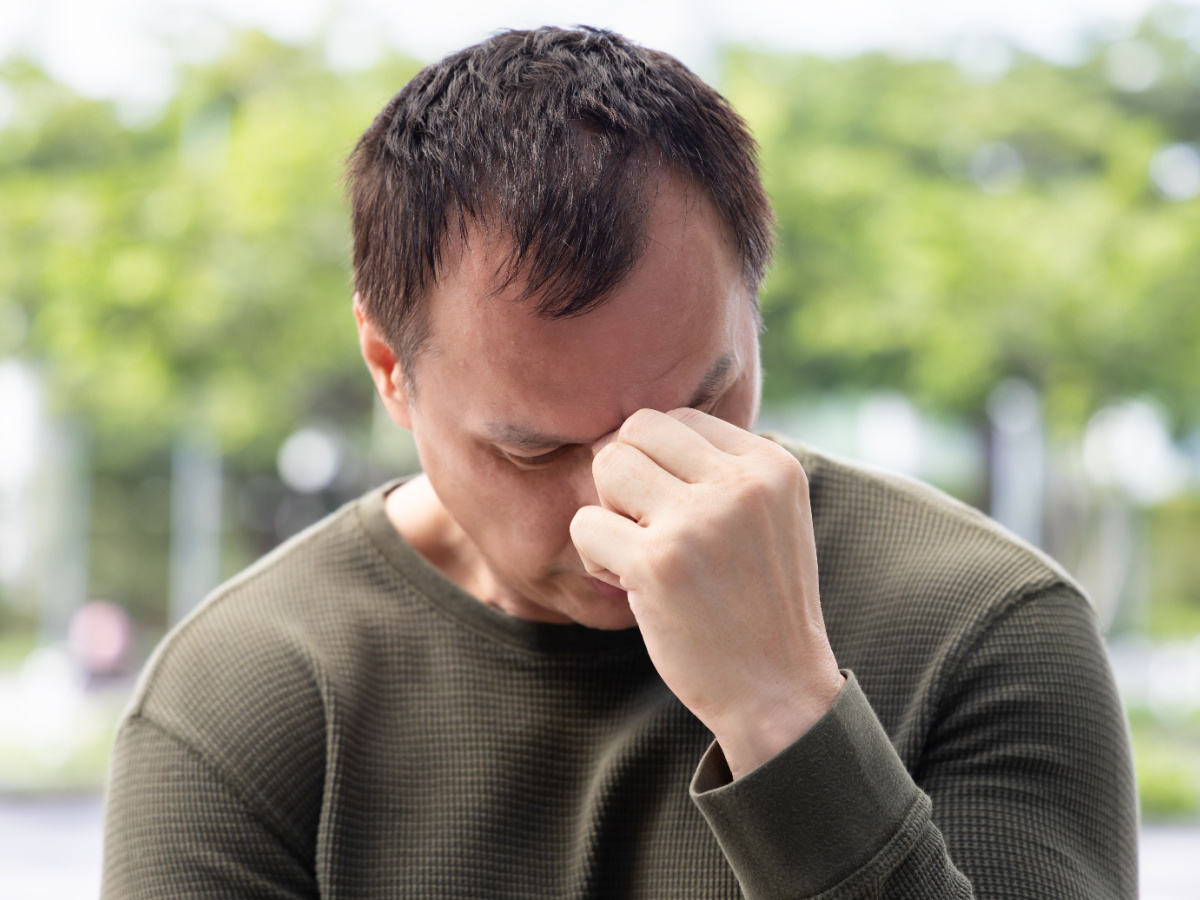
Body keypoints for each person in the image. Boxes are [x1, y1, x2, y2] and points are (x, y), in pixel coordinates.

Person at [101, 26, 1137, 899]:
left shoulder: (979, 627)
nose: (625, 504)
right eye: (535, 447)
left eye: (698, 406)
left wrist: (785, 714)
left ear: (753, 314)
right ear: (389, 369)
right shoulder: (250, 695)